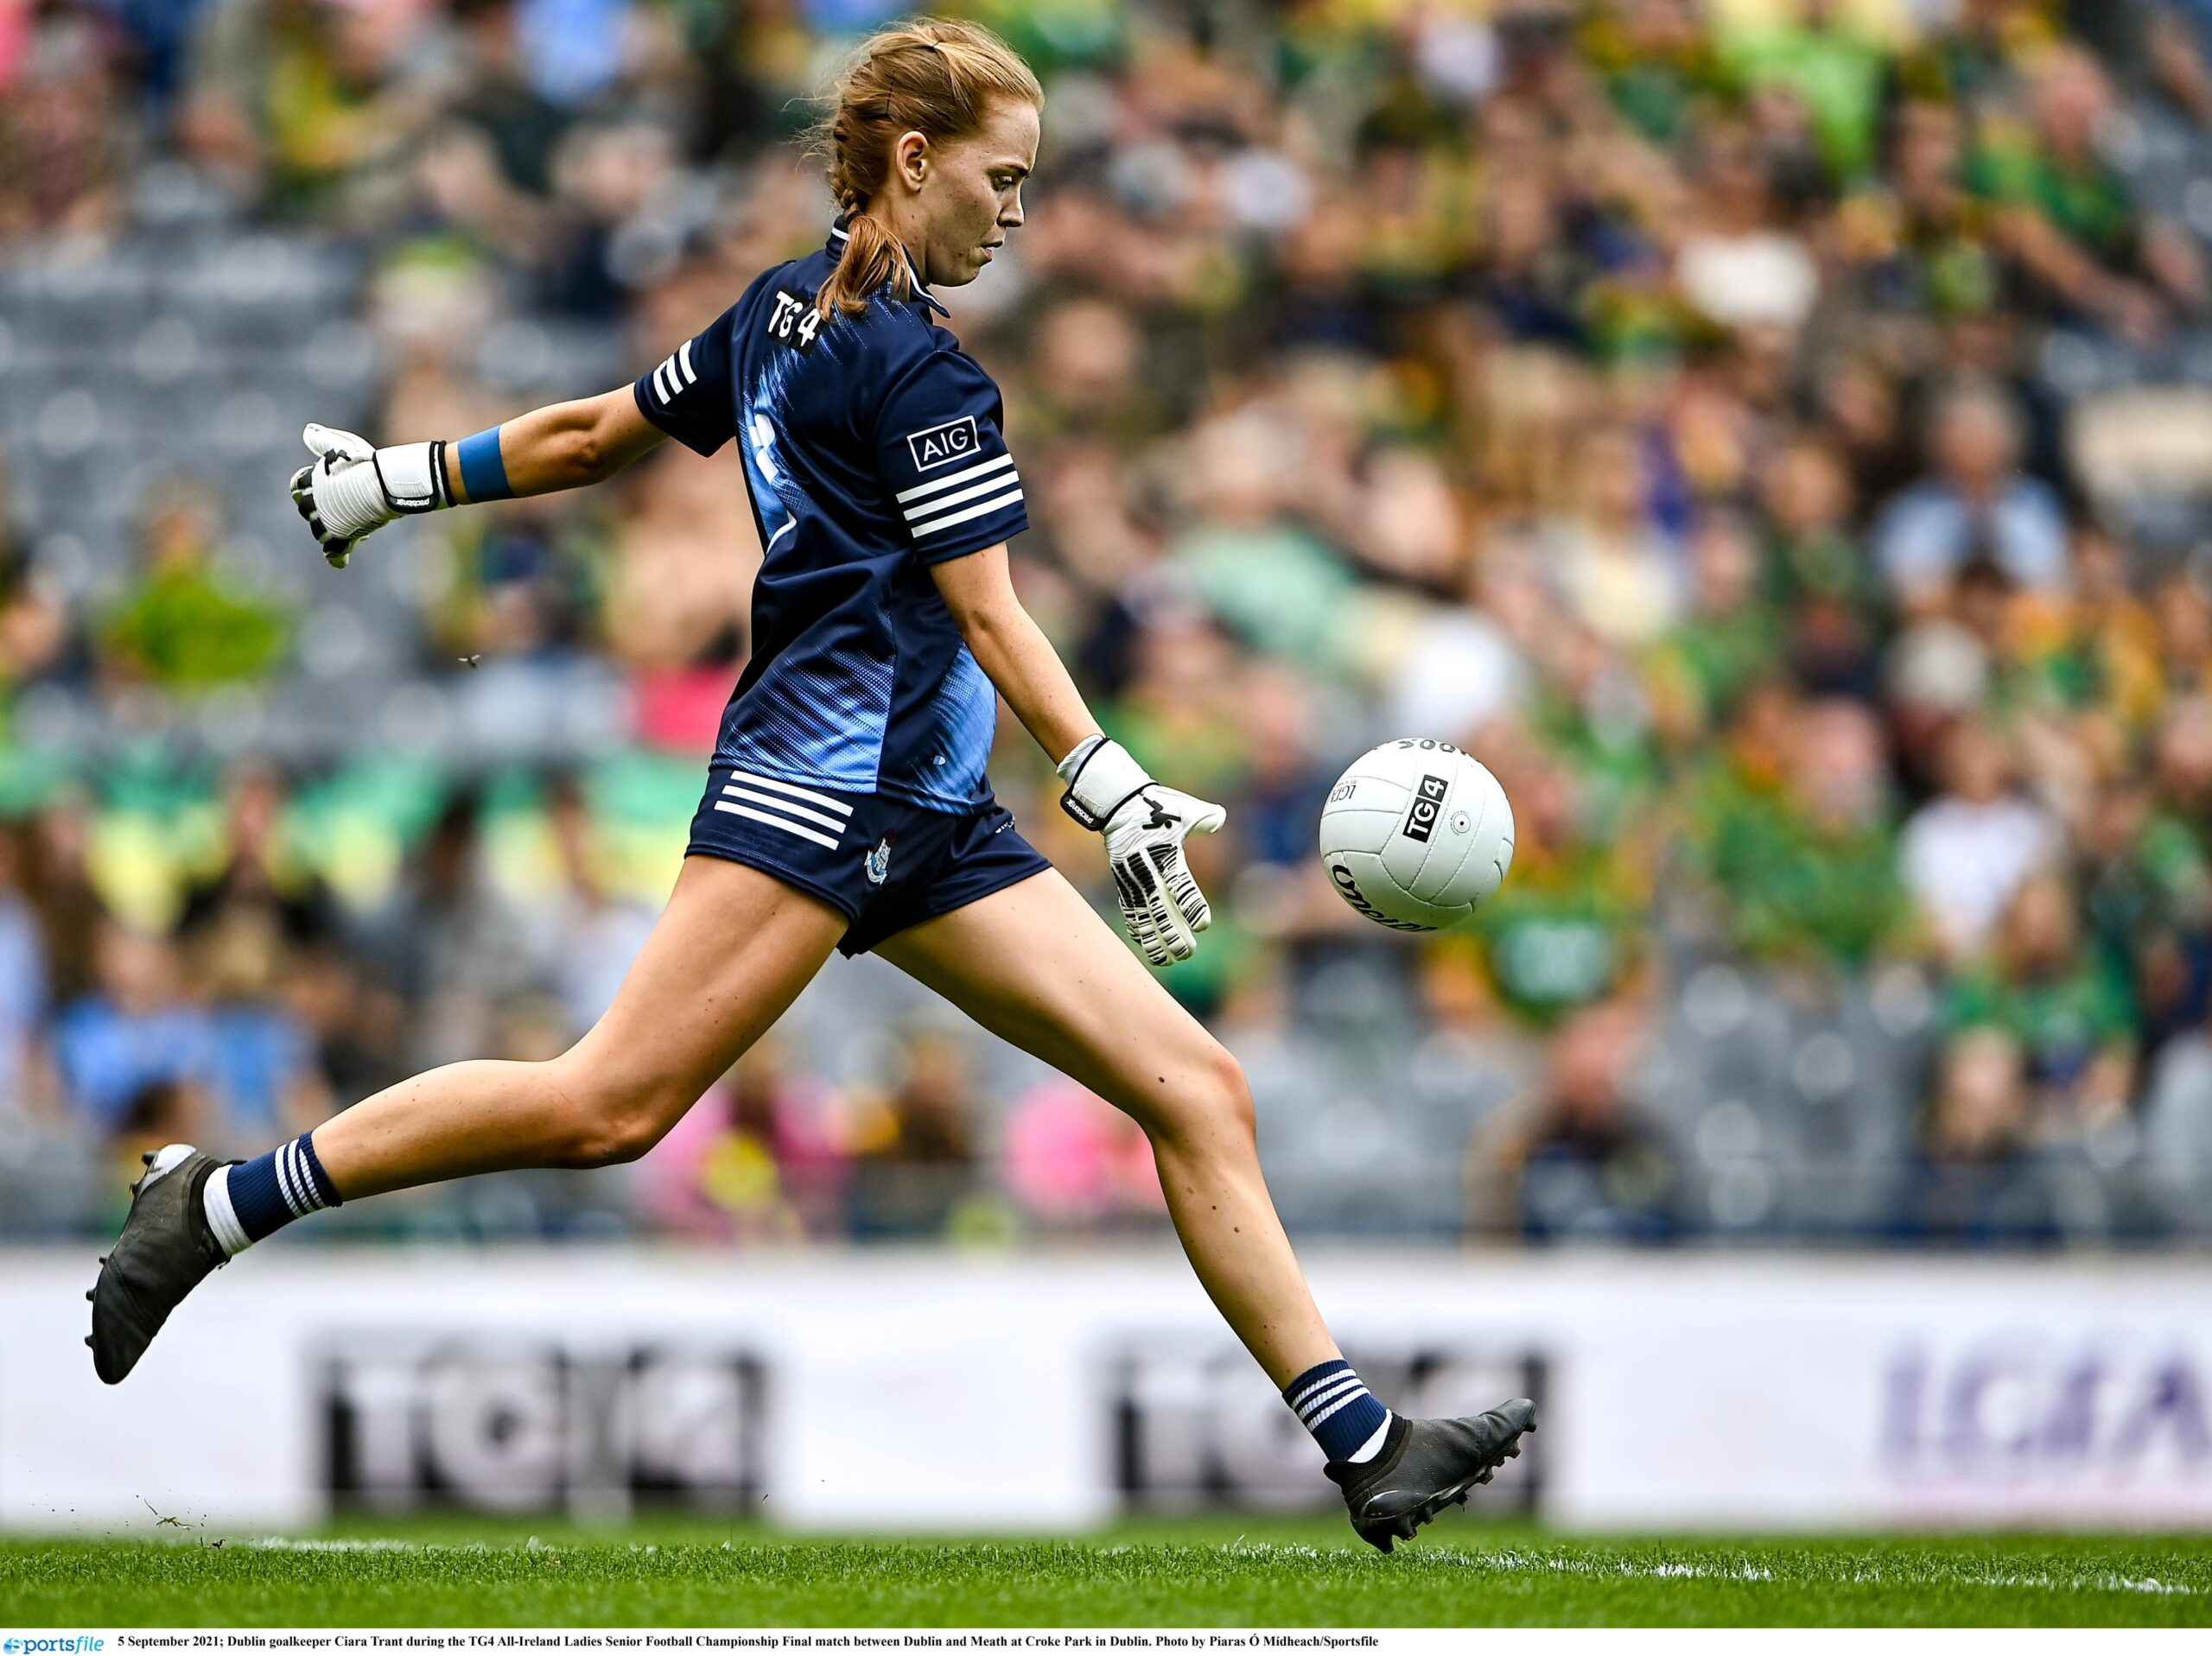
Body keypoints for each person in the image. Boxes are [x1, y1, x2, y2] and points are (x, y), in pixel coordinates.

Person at [86, 17, 1531, 1551]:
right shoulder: (923, 371)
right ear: (915, 163)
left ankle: (1364, 1445)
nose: (1019, 211)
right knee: (605, 1105)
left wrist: (400, 478)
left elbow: (596, 437)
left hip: (929, 812)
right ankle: (221, 1202)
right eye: (1004, 177)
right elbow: (989, 611)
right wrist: (1109, 786)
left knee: (1197, 1088)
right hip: (816, 786)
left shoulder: (782, 311)